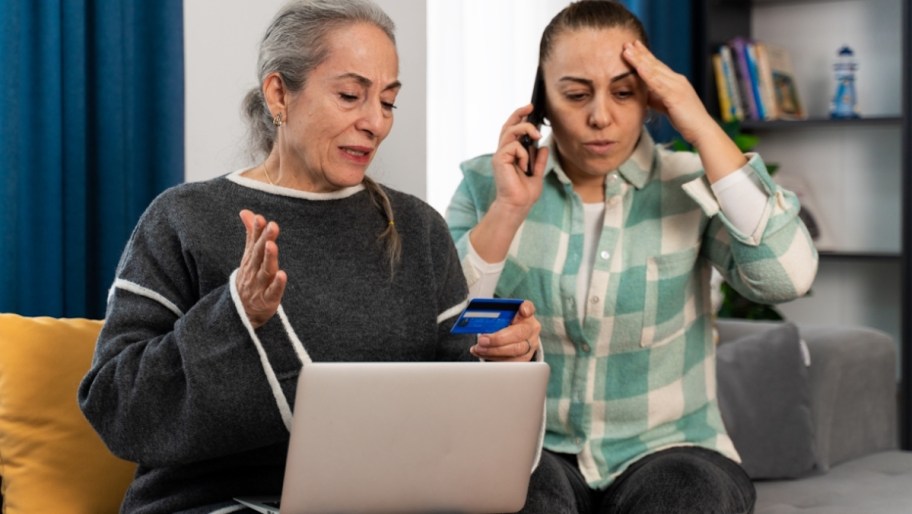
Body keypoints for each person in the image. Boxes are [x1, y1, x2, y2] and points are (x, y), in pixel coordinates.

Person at [77, 1, 543, 513]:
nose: (375, 123)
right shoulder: (183, 218)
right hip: (213, 503)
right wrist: (234, 317)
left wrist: (506, 359)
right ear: (279, 94)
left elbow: (462, 402)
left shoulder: (419, 229)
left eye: (388, 102)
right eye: (350, 95)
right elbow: (116, 407)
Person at [446, 1, 819, 513]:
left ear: (650, 97)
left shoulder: (693, 182)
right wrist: (510, 209)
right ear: (542, 103)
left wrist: (702, 128)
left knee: (687, 496)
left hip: (673, 449)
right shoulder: (487, 183)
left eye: (624, 92)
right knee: (515, 497)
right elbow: (442, 326)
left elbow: (788, 277)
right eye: (575, 95)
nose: (601, 116)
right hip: (535, 447)